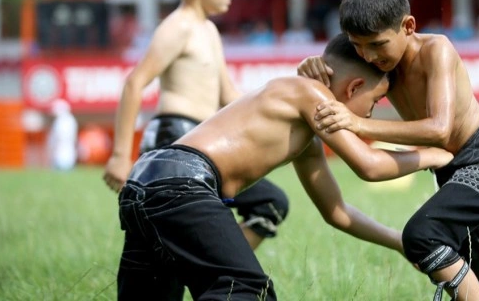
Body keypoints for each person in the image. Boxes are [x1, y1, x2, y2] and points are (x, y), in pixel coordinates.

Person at [116, 33, 454, 300]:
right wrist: (434, 154)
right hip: (183, 183)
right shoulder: (310, 95)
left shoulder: (305, 133)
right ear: (353, 88)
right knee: (246, 290)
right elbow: (371, 166)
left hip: (146, 181)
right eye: (375, 101)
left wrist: (399, 241)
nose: (369, 114)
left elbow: (336, 211)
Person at [297, 0, 479, 301]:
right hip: (453, 168)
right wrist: (312, 69)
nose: (368, 56)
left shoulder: (436, 50)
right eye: (358, 46)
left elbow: (440, 128)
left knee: (423, 235)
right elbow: (338, 71)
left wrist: (359, 125)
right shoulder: (378, 63)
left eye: (377, 44)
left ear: (408, 26)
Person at [103, 0, 290, 253]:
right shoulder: (177, 27)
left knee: (268, 205)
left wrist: (276, 121)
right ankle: (219, 272)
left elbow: (228, 94)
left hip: (203, 142)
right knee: (169, 242)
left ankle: (216, 271)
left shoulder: (209, 31)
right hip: (173, 138)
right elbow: (134, 84)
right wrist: (121, 155)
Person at [46, 99, 78, 171]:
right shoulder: (70, 120)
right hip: (66, 154)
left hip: (62, 155)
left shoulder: (62, 121)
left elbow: (57, 138)